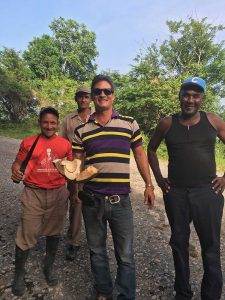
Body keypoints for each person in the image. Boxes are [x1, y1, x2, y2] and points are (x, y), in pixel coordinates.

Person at [72, 74, 155, 300]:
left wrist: (149, 185)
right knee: (97, 251)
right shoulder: (82, 130)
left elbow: (140, 155)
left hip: (121, 201)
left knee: (126, 254)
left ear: (113, 95)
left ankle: (126, 294)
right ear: (92, 96)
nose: (102, 94)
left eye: (107, 91)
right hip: (92, 199)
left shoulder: (129, 123)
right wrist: (73, 182)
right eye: (97, 91)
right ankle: (104, 290)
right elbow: (76, 164)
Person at [147, 77, 225, 300]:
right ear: (180, 96)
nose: (190, 99)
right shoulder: (167, 124)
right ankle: (183, 293)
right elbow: (151, 149)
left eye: (195, 95)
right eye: (186, 94)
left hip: (207, 193)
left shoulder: (213, 121)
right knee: (179, 243)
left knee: (210, 247)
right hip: (177, 194)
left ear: (202, 98)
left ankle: (210, 295)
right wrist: (160, 180)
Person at [11, 107, 72, 296]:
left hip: (58, 194)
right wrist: (15, 170)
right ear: (40, 122)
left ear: (57, 123)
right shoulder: (28, 142)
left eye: (53, 122)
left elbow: (70, 169)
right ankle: (19, 274)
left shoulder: (64, 145)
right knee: (26, 234)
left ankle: (48, 267)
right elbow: (17, 163)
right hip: (33, 193)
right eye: (45, 122)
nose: (49, 126)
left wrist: (76, 188)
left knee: (54, 233)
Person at [59, 85, 93, 261]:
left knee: (96, 204)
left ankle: (95, 242)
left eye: (86, 96)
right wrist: (65, 170)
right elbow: (62, 144)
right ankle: (74, 242)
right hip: (75, 169)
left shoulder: (98, 117)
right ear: (76, 99)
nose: (83, 99)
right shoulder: (68, 120)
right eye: (80, 96)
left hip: (94, 168)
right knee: (76, 203)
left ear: (91, 98)